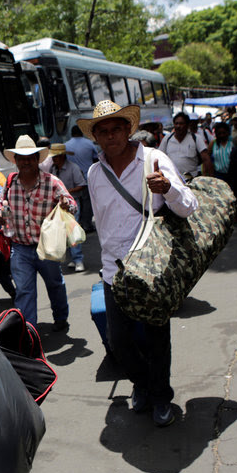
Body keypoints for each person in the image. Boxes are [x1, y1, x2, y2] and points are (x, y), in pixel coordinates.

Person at [78, 100, 198, 427]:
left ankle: (161, 397)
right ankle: (142, 383)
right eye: (102, 131)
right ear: (96, 137)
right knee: (119, 343)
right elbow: (102, 225)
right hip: (115, 273)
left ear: (128, 129)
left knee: (157, 338)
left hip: (152, 270)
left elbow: (189, 206)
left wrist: (169, 189)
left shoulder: (154, 159)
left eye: (116, 128)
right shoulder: (94, 172)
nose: (110, 136)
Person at [0, 135, 76, 331]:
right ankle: (28, 331)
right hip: (20, 248)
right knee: (24, 291)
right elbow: (0, 203)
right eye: (21, 158)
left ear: (37, 159)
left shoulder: (52, 182)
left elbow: (72, 204)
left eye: (30, 157)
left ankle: (61, 317)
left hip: (46, 247)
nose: (26, 161)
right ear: (15, 161)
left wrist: (66, 205)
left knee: (55, 285)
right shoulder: (10, 182)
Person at [47, 143, 87, 272]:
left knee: (73, 232)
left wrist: (66, 192)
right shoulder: (52, 170)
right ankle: (73, 258)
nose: (54, 159)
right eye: (53, 157)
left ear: (63, 156)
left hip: (72, 204)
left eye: (56, 157)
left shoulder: (73, 168)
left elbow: (82, 185)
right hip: (57, 206)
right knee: (63, 233)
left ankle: (78, 259)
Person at [209, 122, 237, 216]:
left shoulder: (234, 141)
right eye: (219, 133)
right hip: (219, 175)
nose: (222, 135)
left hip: (234, 174)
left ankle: (235, 213)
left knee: (235, 195)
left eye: (224, 133)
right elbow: (208, 158)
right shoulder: (213, 144)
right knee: (223, 197)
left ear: (228, 132)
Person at [158, 112, 214, 179]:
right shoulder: (167, 139)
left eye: (181, 123)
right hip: (171, 180)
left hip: (190, 180)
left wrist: (211, 179)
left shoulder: (196, 138)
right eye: (176, 123)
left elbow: (206, 159)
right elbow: (159, 157)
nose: (178, 126)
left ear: (187, 125)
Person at [65, 125, 98, 232]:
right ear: (81, 133)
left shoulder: (66, 145)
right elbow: (96, 159)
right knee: (87, 203)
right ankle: (87, 224)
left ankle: (76, 225)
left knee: (75, 204)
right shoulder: (89, 143)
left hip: (71, 181)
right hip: (87, 178)